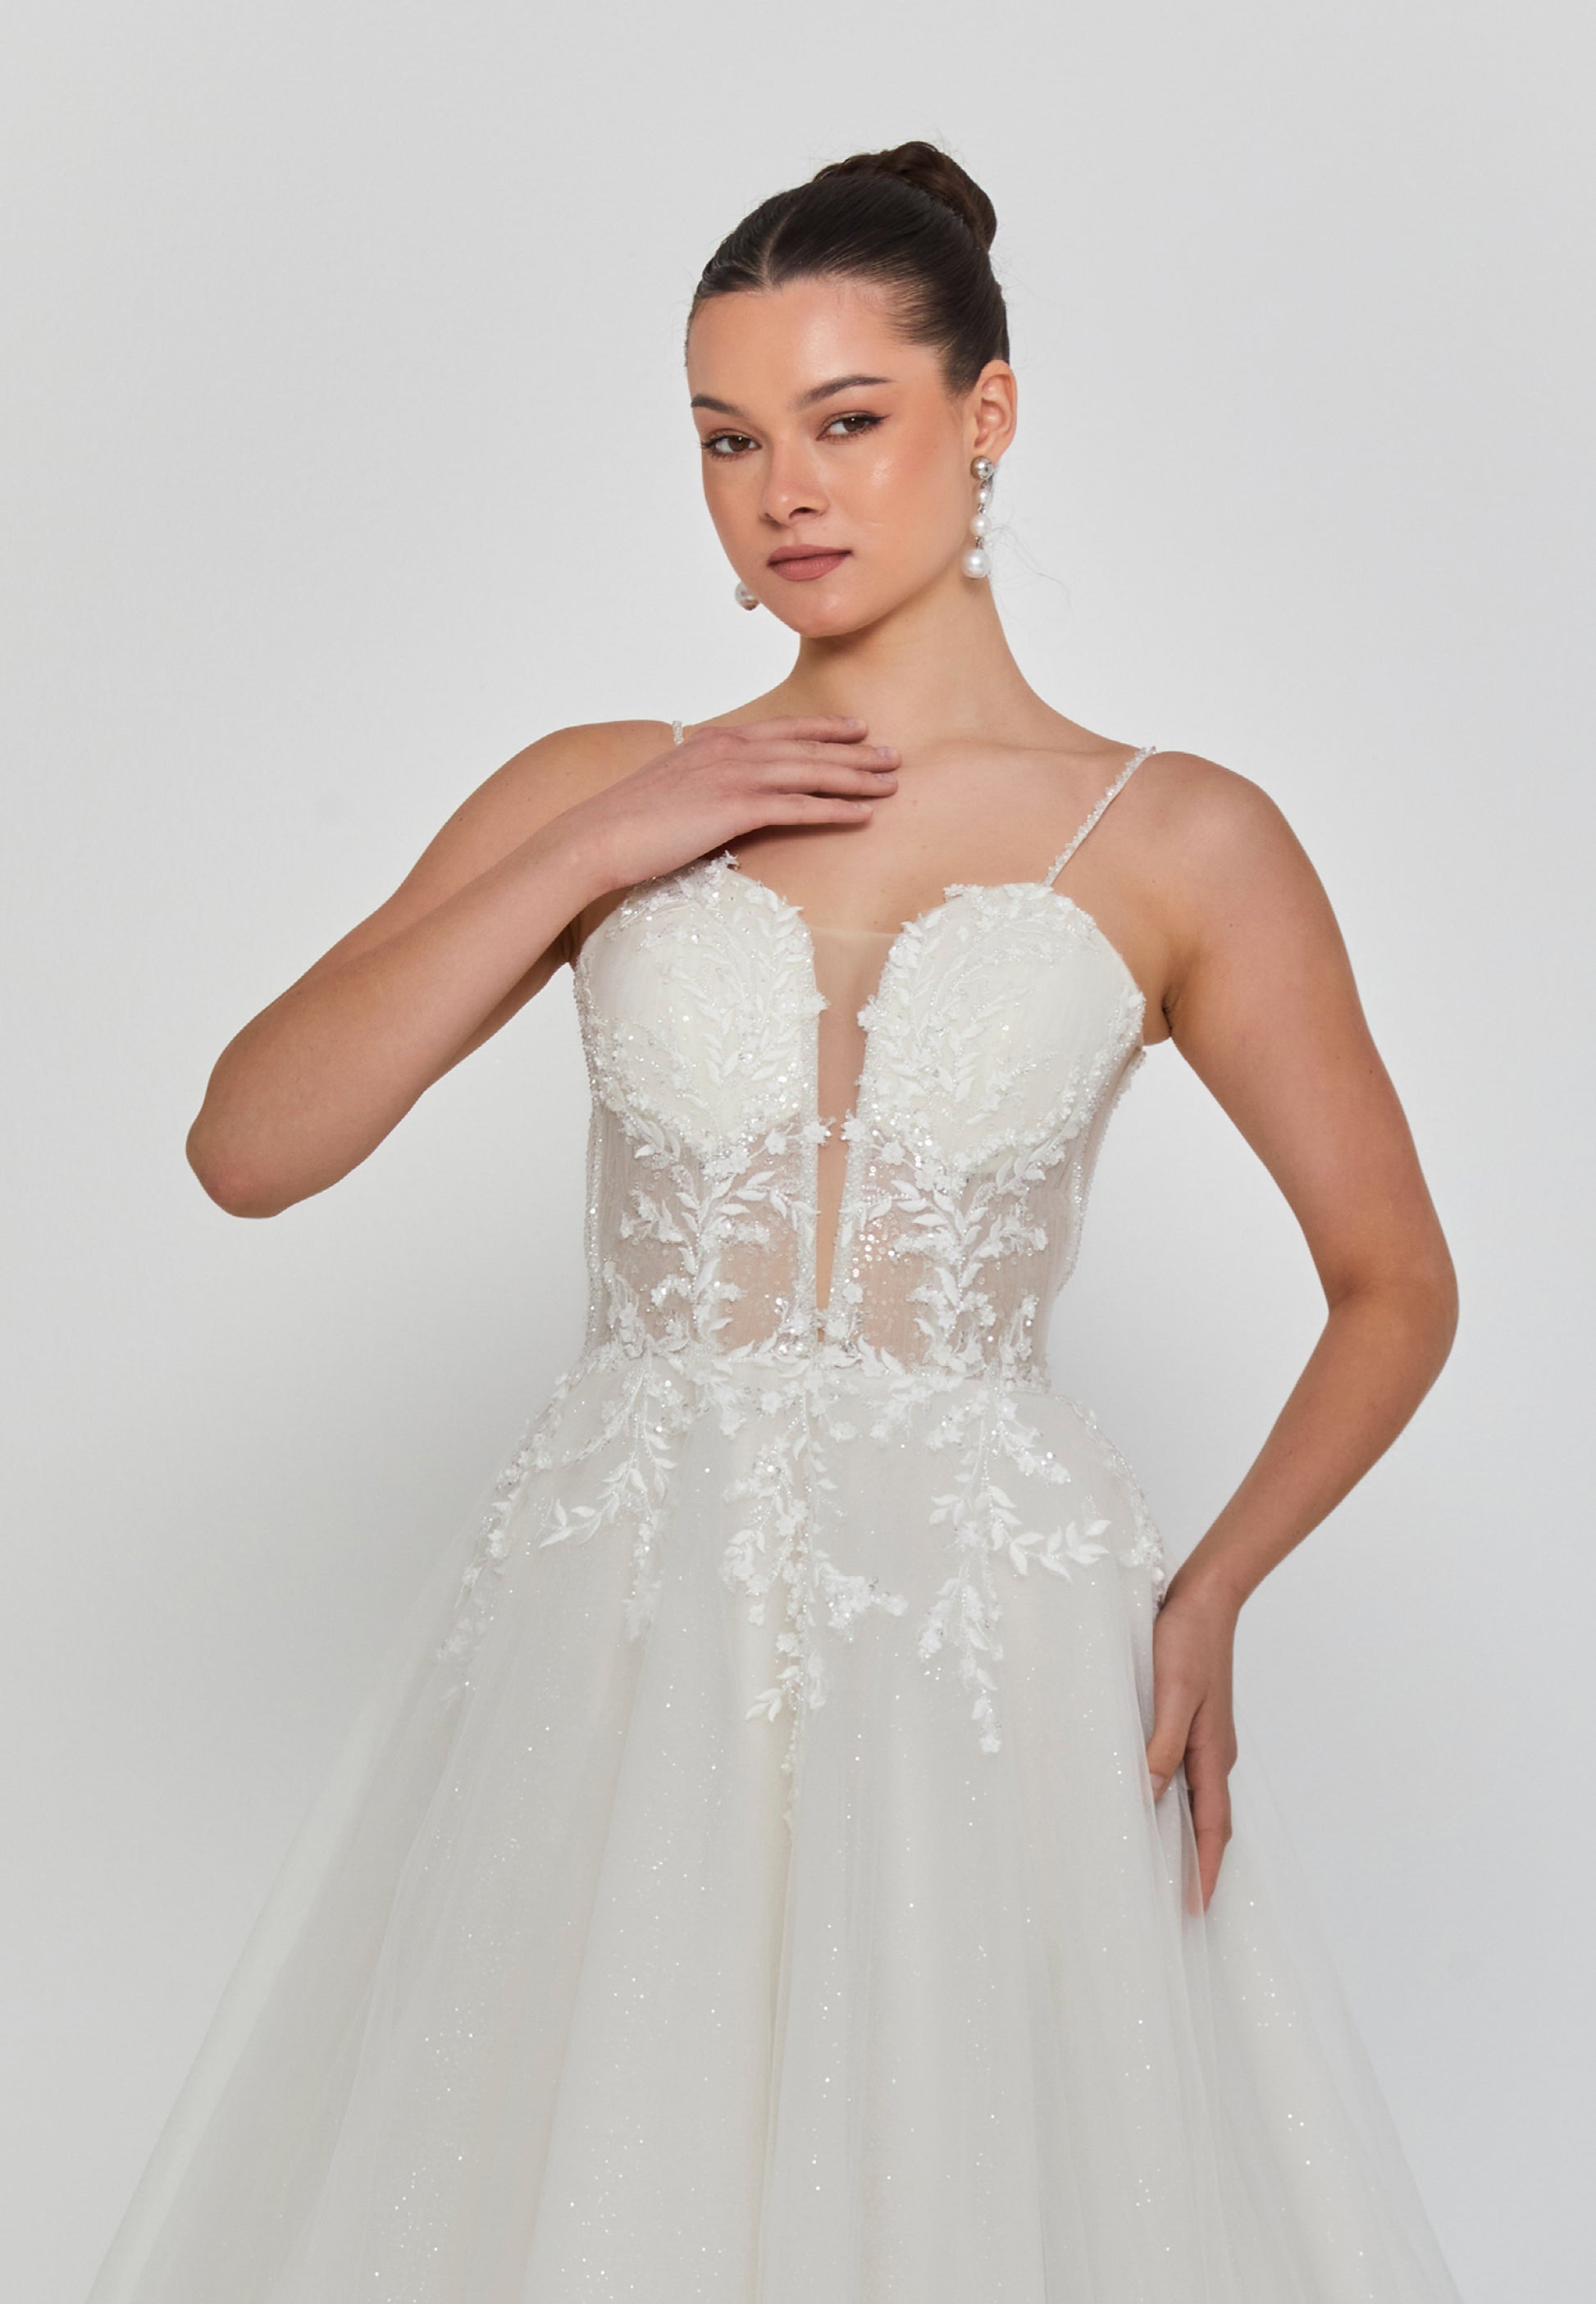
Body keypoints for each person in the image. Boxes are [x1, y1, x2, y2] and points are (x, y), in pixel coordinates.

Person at [88, 141, 1466, 2302]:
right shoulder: (600, 784)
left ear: (985, 418)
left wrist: (1208, 1593)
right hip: (622, 1627)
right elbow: (249, 1146)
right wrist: (606, 841)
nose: (781, 493)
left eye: (845, 421)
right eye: (726, 439)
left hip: (989, 1646)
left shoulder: (1179, 837)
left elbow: (1395, 1284)